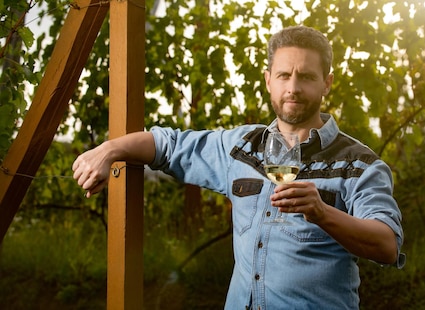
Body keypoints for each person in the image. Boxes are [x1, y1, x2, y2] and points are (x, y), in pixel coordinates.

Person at [72, 25, 404, 309]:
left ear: (326, 83)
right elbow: (168, 144)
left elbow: (387, 246)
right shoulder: (241, 147)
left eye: (306, 77)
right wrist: (109, 149)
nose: (293, 87)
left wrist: (322, 213)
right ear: (268, 80)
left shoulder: (359, 164)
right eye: (284, 75)